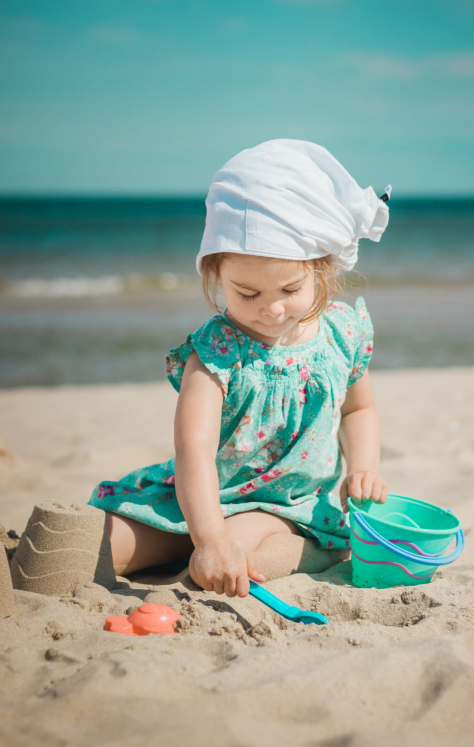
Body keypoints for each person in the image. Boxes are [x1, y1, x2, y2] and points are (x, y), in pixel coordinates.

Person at [88, 138, 391, 598]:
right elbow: (194, 448)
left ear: (321, 269)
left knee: (247, 548)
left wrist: (363, 467)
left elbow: (358, 411)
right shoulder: (216, 351)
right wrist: (207, 536)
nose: (270, 310)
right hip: (199, 497)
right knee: (96, 545)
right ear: (215, 274)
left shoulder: (342, 334)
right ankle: (196, 550)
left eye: (289, 289)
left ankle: (295, 551)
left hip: (287, 506)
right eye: (247, 294)